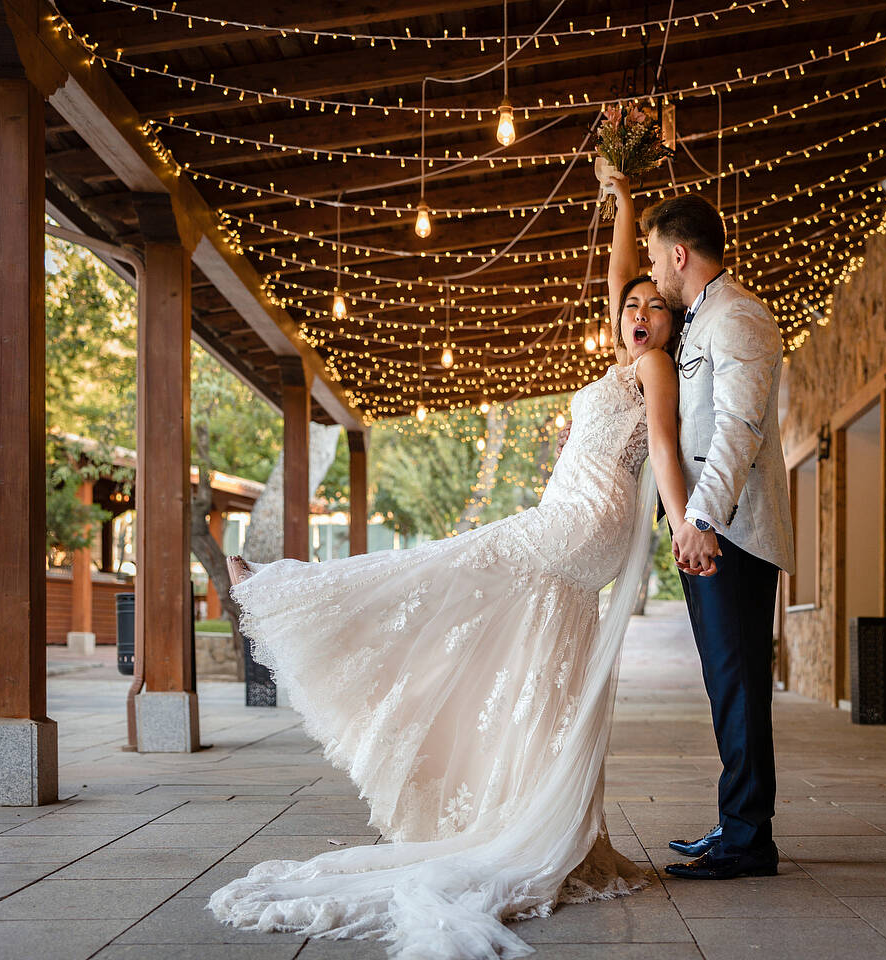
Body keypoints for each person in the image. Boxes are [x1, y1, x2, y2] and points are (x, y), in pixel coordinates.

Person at [207, 163, 690, 960]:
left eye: (654, 309)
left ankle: (294, 587)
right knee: (541, 666)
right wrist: (621, 195)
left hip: (578, 524)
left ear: (670, 328)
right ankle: (527, 808)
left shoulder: (652, 368)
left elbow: (666, 451)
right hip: (573, 528)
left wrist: (681, 529)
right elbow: (620, 272)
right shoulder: (624, 354)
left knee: (448, 565)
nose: (637, 314)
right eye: (631, 307)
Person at [640, 193, 796, 880]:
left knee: (736, 686)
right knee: (725, 685)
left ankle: (748, 840)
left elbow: (740, 429)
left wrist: (702, 520)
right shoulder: (704, 320)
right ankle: (737, 821)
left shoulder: (740, 318)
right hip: (713, 533)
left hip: (733, 535)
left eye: (654, 257)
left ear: (679, 254)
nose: (653, 273)